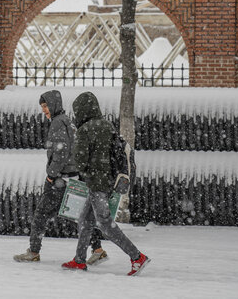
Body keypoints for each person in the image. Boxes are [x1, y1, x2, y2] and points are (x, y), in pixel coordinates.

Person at [61, 91, 150, 276]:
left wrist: (82, 168)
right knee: (85, 221)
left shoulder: (85, 129)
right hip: (109, 181)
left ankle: (137, 257)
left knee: (105, 224)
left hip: (97, 183)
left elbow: (80, 160)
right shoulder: (107, 125)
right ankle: (79, 260)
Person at [14, 90, 107, 265]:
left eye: (45, 106)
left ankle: (33, 251)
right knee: (78, 214)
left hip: (60, 179)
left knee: (41, 214)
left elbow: (61, 152)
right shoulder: (68, 122)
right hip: (72, 177)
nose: (44, 110)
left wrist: (51, 174)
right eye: (42, 107)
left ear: (54, 105)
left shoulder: (57, 123)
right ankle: (98, 249)